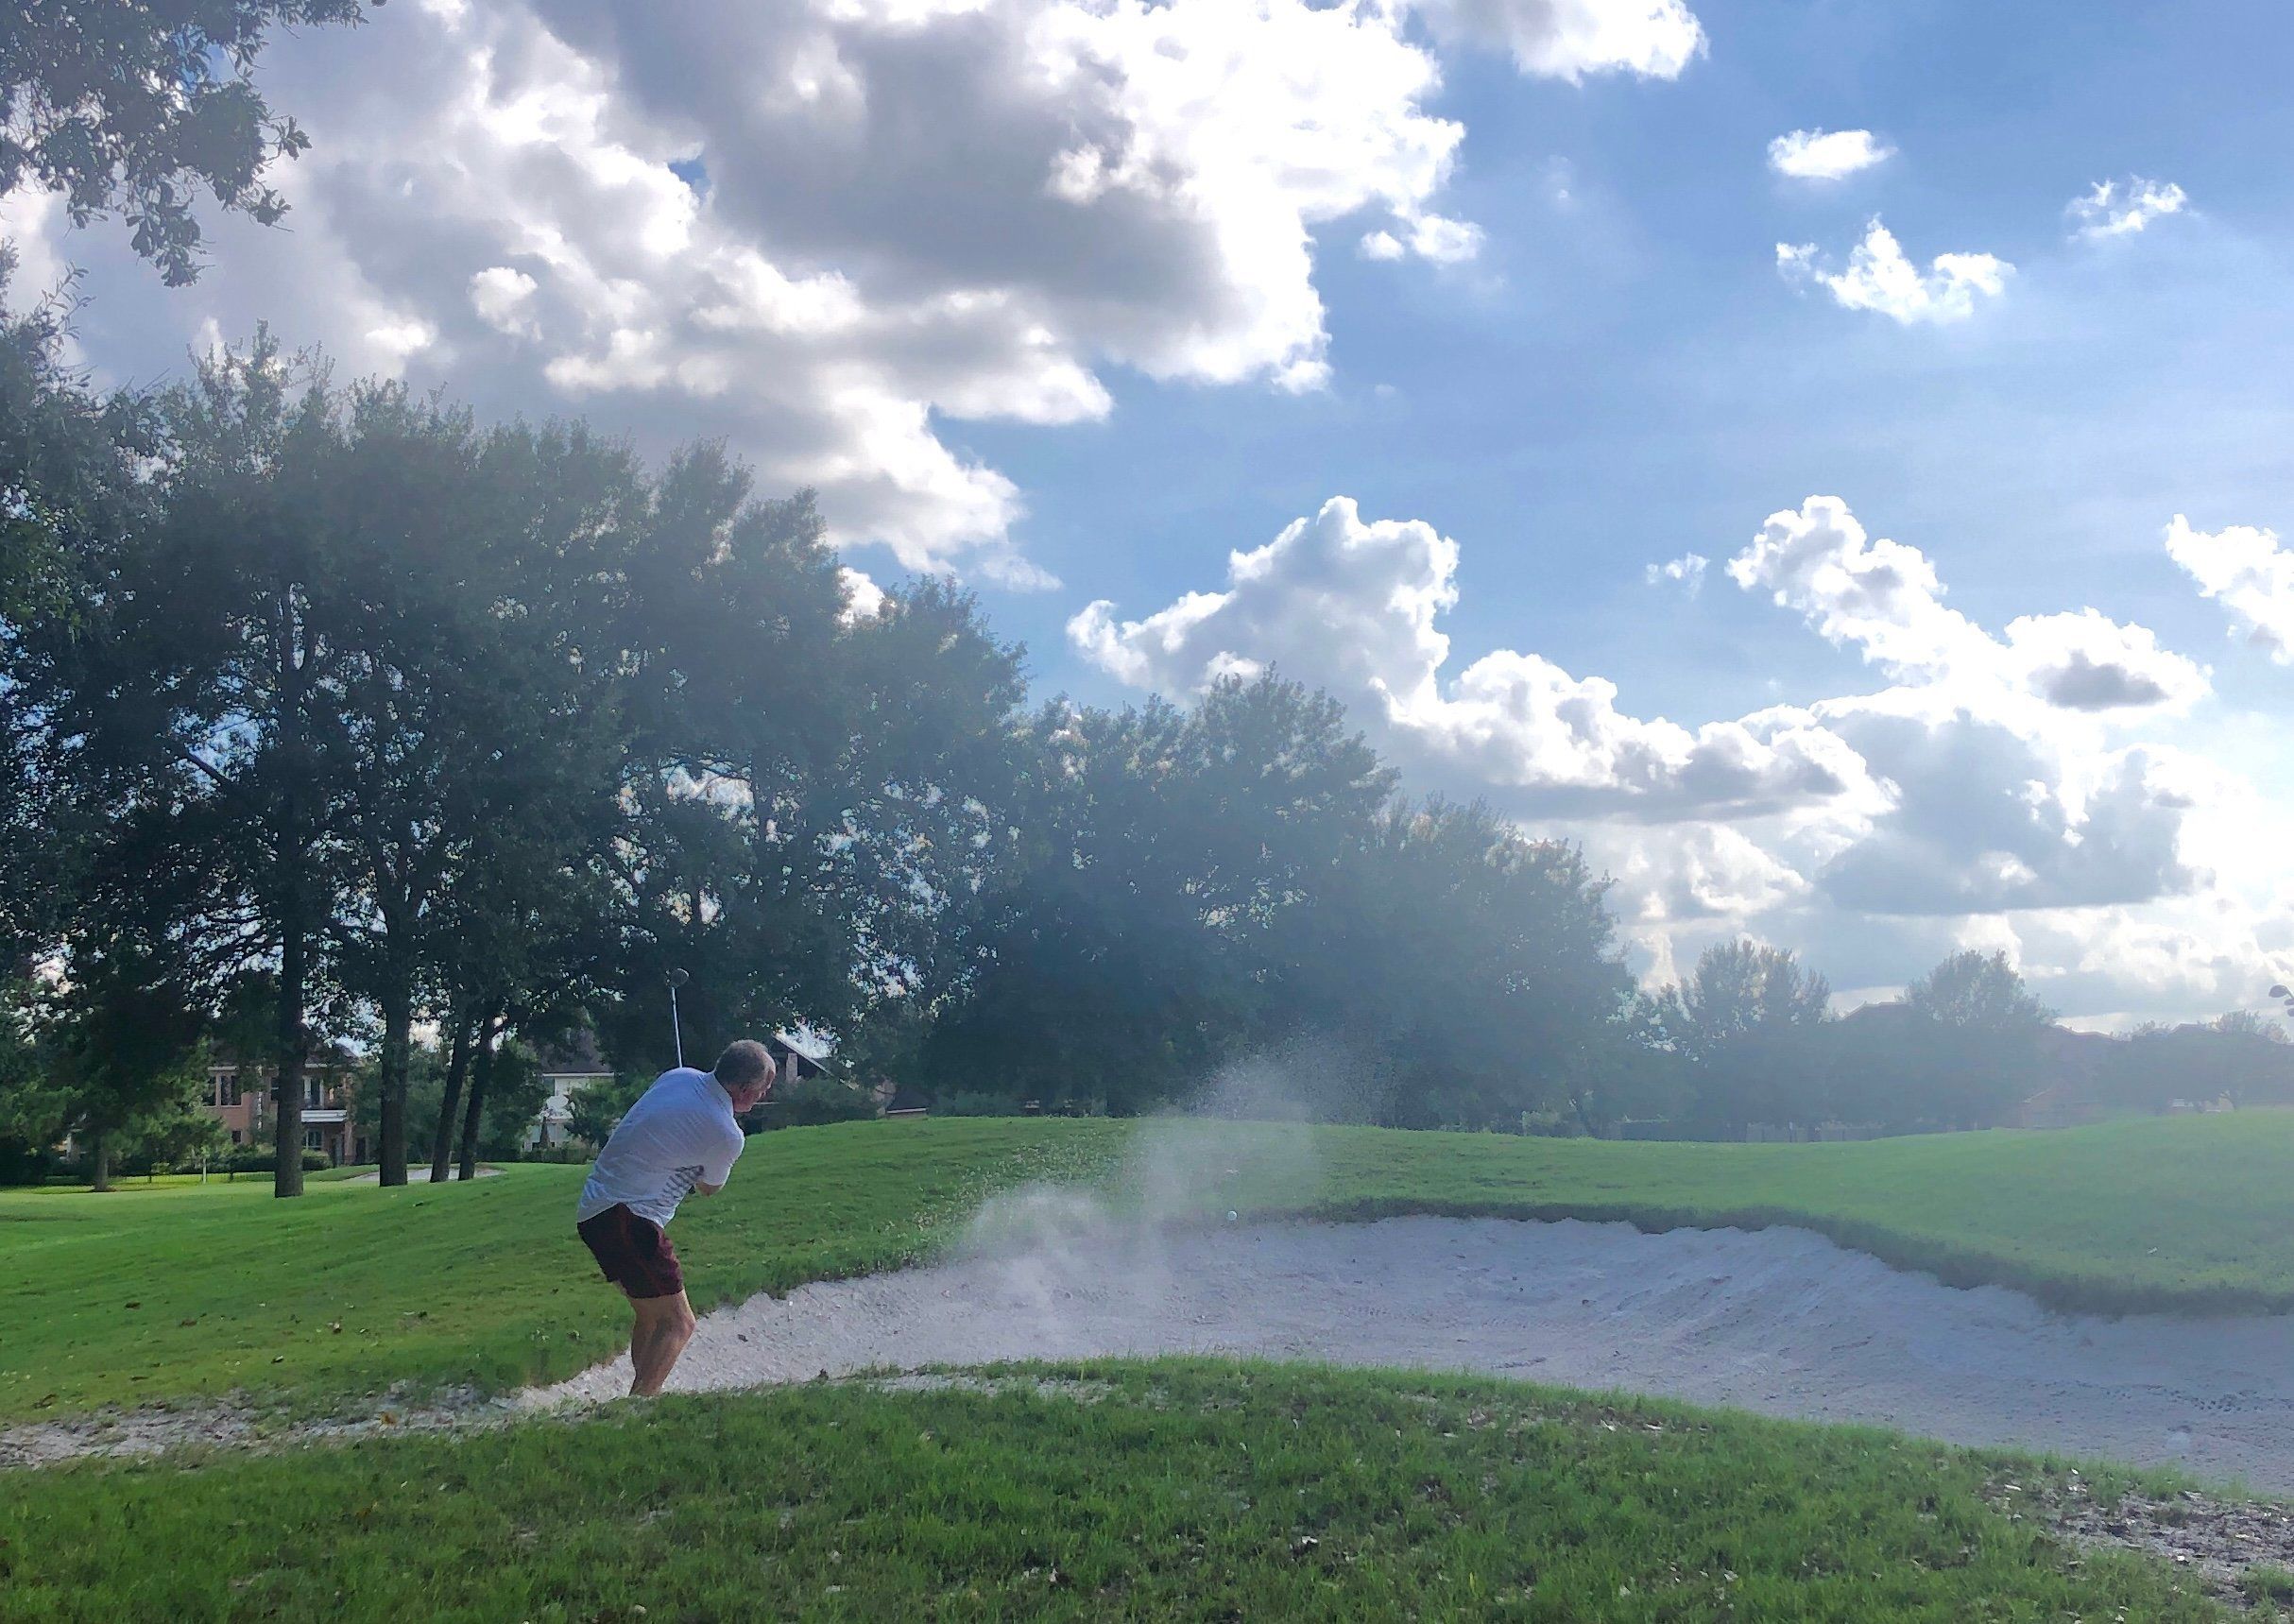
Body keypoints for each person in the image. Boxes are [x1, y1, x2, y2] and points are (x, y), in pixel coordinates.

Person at [575, 1039, 779, 1395]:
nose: (763, 1096)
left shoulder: (679, 1076)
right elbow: (708, 1189)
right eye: (763, 1089)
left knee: (653, 1318)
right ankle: (635, 1411)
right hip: (631, 1220)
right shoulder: (727, 1132)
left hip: (594, 1212)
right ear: (745, 1091)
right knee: (680, 1323)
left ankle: (640, 1396)